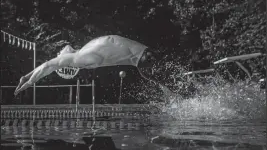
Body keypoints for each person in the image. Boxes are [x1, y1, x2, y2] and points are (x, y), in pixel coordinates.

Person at [14, 35, 173, 100]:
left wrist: (28, 79)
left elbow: (49, 65)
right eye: (59, 54)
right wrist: (28, 79)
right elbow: (49, 65)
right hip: (145, 60)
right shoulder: (82, 54)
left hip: (144, 60)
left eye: (59, 53)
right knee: (174, 89)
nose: (58, 54)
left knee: (174, 89)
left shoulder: (82, 54)